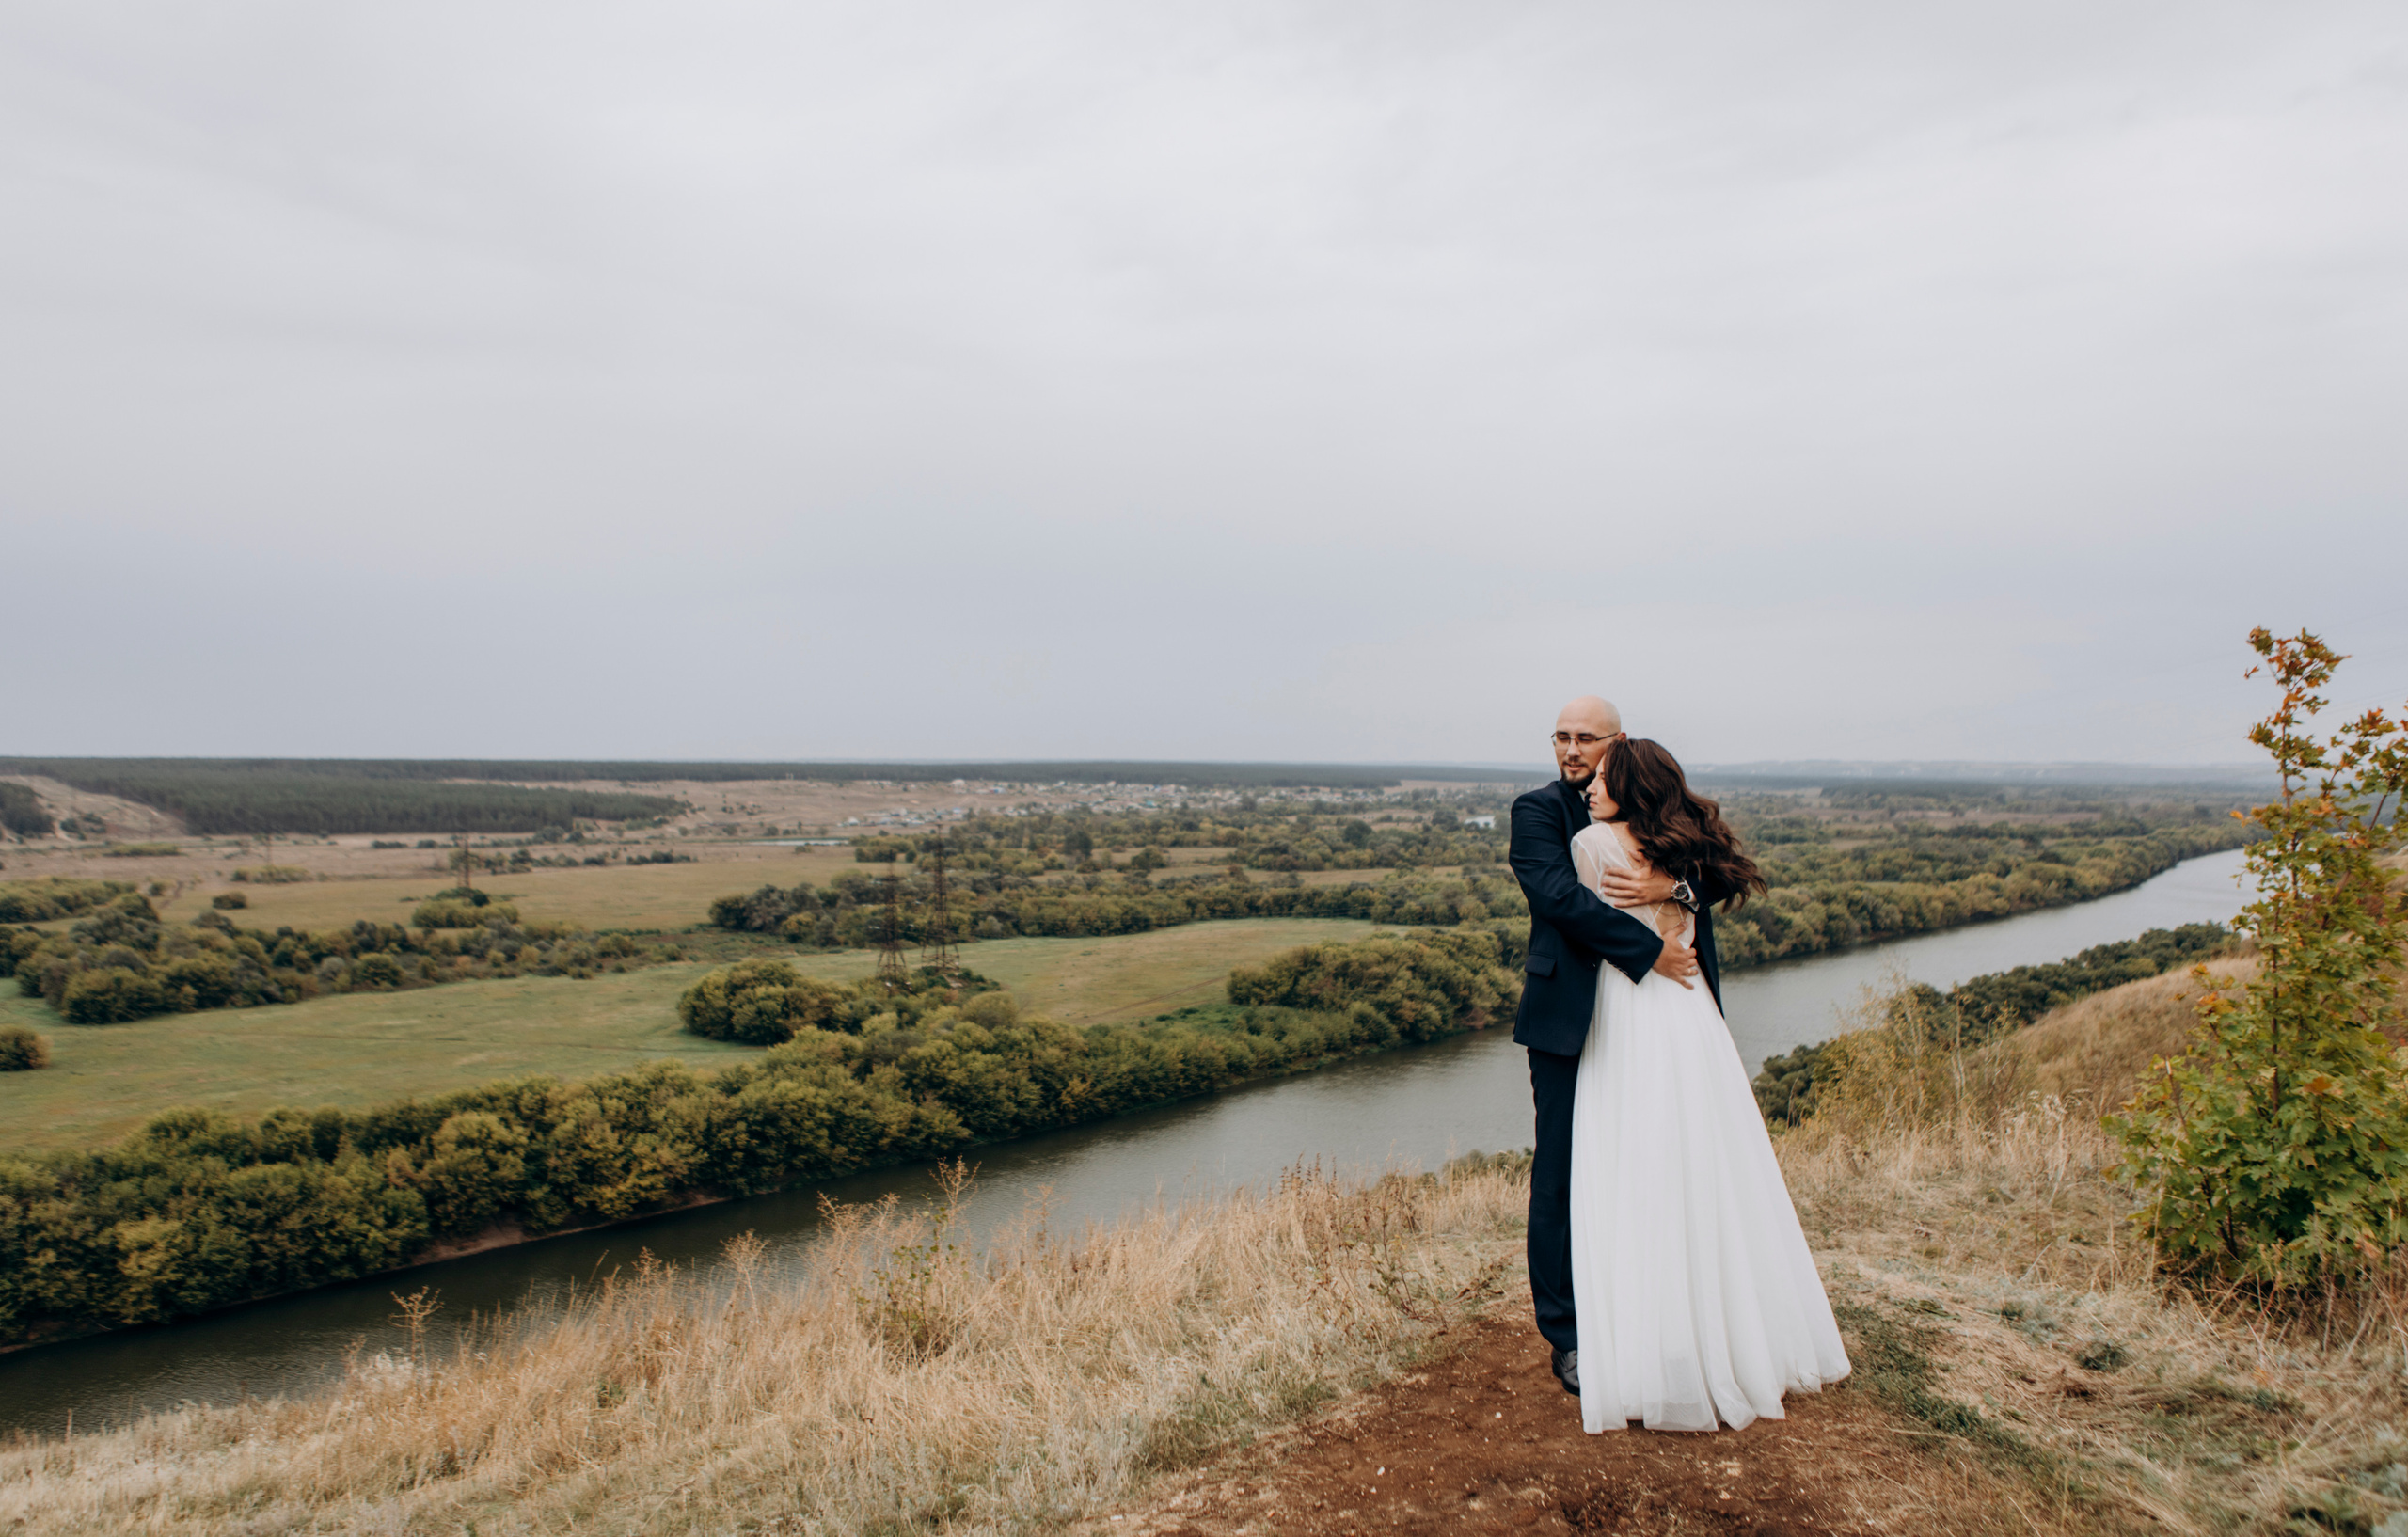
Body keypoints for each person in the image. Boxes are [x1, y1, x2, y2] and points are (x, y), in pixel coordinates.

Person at [1565, 738, 1849, 1432]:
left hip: (1633, 1008)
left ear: (1632, 786)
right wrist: (1677, 887)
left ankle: (1653, 1353)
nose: (1588, 789)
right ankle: (1738, 1339)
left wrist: (1671, 892)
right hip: (1690, 1011)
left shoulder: (1593, 846)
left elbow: (1584, 928)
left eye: (1602, 779)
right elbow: (1718, 884)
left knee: (1636, 1165)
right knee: (1710, 1162)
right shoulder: (1687, 848)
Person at [1510, 696, 1708, 1399]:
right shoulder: (1538, 811)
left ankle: (1648, 1308)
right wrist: (1650, 950)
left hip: (1651, 1020)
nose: (1570, 750)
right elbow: (1558, 898)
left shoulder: (1655, 801)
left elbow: (1709, 874)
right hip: (1571, 1018)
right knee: (1562, 1169)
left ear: (1616, 743)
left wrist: (1672, 885)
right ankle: (1566, 1334)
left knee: (1651, 1160)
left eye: (1585, 738)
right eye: (1560, 737)